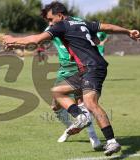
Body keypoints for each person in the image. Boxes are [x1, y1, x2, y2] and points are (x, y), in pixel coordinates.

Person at [3, 1, 140, 156]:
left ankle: (111, 141)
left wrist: (12, 39)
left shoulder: (61, 25)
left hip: (93, 67)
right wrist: (128, 31)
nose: (50, 23)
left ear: (60, 15)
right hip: (84, 69)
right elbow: (107, 27)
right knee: (57, 91)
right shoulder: (81, 21)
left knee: (90, 102)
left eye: (50, 19)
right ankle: (81, 117)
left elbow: (36, 39)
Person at [46, 17, 102, 150]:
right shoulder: (52, 31)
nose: (50, 23)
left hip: (79, 68)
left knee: (82, 105)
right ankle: (70, 127)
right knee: (55, 106)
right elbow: (39, 40)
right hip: (63, 71)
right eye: (48, 21)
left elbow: (97, 40)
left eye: (51, 20)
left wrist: (89, 42)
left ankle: (94, 138)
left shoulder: (73, 28)